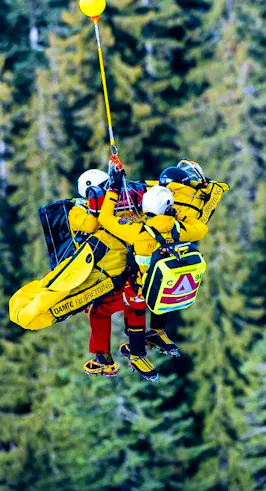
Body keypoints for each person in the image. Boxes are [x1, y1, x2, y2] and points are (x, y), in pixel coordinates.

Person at [97, 161, 209, 381]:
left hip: (141, 288)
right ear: (169, 206)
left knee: (136, 303)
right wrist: (178, 215)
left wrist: (113, 191)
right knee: (163, 285)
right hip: (163, 288)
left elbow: (105, 218)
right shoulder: (179, 229)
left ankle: (137, 353)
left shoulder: (137, 232)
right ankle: (158, 330)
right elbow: (202, 228)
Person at [8, 169, 130, 368]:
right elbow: (91, 225)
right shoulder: (77, 210)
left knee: (106, 307)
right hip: (92, 268)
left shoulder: (115, 207)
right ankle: (28, 311)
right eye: (104, 188)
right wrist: (105, 199)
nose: (109, 193)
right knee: (52, 296)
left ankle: (118, 349)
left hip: (111, 266)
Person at [140, 161, 229, 357]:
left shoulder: (159, 192)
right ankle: (158, 330)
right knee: (161, 289)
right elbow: (201, 229)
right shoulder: (193, 197)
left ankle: (136, 342)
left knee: (140, 293)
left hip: (147, 243)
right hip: (175, 243)